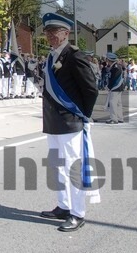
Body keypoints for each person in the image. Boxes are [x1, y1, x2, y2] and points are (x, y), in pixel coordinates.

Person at [37, 13, 99, 232]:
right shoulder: (51, 57)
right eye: (48, 32)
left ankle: (78, 213)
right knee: (57, 166)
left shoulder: (75, 56)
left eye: (55, 31)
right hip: (53, 122)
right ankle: (63, 206)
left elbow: (90, 89)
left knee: (73, 167)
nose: (51, 36)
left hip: (71, 122)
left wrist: (82, 115)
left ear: (66, 33)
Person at [104, 52, 125, 123]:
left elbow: (113, 78)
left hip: (115, 87)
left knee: (113, 103)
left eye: (107, 60)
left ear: (109, 60)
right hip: (118, 87)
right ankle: (120, 118)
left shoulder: (115, 67)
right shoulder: (116, 66)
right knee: (118, 103)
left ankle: (114, 119)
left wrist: (109, 86)